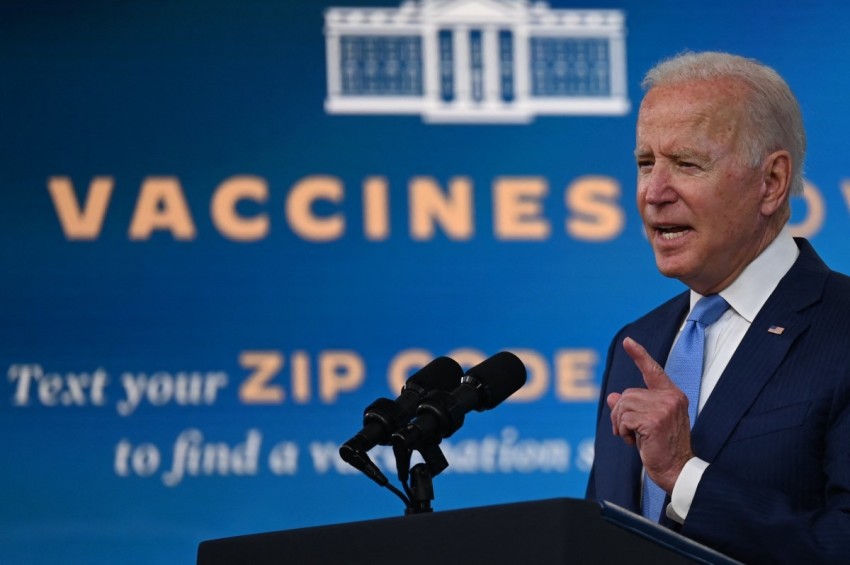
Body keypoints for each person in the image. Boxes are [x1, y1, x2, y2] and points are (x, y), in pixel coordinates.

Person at [586, 51, 850, 564]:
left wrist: (685, 477)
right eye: (645, 163)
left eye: (686, 163)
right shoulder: (634, 343)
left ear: (770, 183)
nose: (654, 193)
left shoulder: (842, 328)